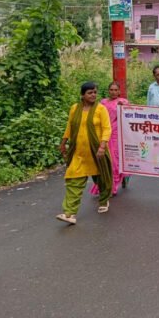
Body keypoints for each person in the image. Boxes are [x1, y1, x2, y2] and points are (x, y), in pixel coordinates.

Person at [56, 82, 113, 225]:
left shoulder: (100, 109)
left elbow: (107, 129)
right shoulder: (75, 108)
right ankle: (70, 213)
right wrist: (63, 142)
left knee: (102, 179)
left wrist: (102, 147)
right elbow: (70, 126)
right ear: (82, 95)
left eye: (95, 92)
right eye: (90, 93)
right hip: (78, 153)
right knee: (74, 181)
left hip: (96, 152)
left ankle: (104, 200)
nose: (93, 95)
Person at [89, 82, 128, 197]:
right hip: (104, 133)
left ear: (119, 91)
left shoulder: (123, 101)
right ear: (108, 90)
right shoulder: (103, 102)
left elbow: (129, 115)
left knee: (114, 161)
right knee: (104, 160)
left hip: (116, 133)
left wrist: (122, 107)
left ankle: (112, 187)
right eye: (111, 90)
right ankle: (103, 185)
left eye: (116, 90)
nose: (113, 92)